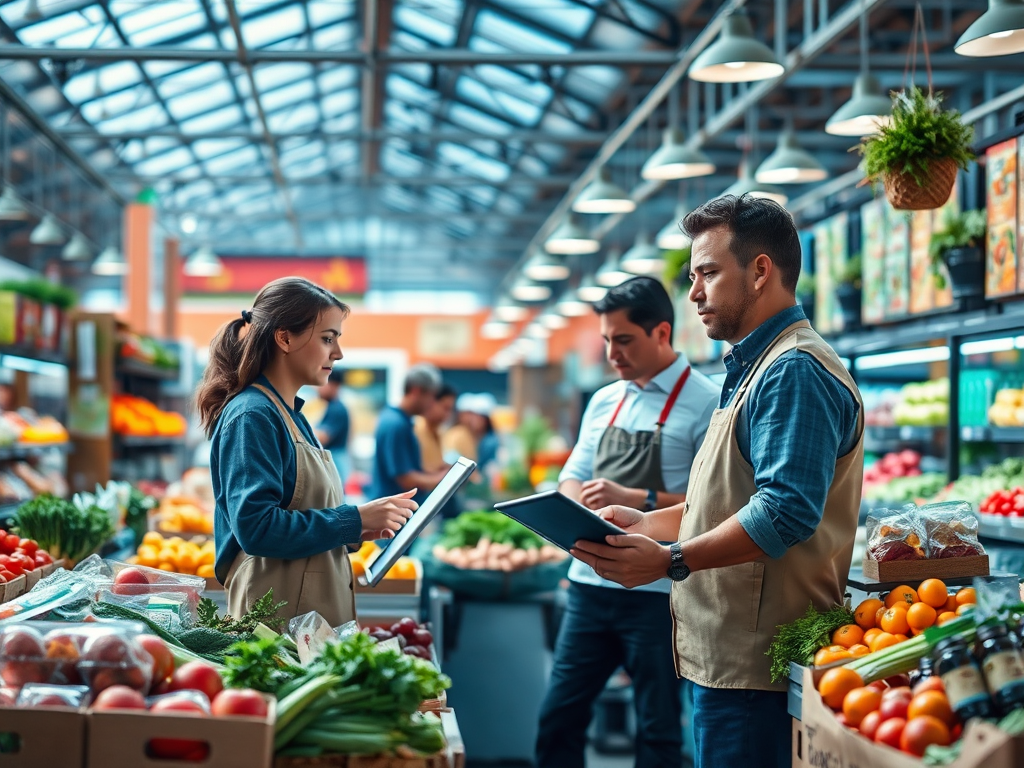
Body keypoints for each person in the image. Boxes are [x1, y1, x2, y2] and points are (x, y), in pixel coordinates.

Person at [572, 195, 864, 768]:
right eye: (692, 275)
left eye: (707, 272)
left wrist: (669, 560)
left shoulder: (794, 370)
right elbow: (722, 497)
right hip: (729, 662)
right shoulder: (751, 367)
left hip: (757, 670)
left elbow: (782, 512)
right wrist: (645, 524)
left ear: (760, 272)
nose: (694, 293)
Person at [535, 276, 720, 768]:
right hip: (588, 587)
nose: (612, 354)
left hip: (658, 593)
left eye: (624, 340)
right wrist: (572, 511)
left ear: (662, 332)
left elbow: (714, 502)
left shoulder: (706, 402)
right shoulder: (603, 400)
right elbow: (572, 476)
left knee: (658, 730)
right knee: (558, 718)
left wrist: (635, 498)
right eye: (606, 341)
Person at [198, 277, 418, 628]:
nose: (338, 353)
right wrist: (353, 519)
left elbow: (302, 512)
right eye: (327, 338)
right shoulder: (252, 414)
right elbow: (256, 528)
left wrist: (360, 529)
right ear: (285, 338)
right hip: (276, 622)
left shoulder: (294, 416)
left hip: (304, 615)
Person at [369, 363, 451, 502]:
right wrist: (445, 478)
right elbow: (406, 479)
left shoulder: (396, 419)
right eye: (431, 396)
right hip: (393, 512)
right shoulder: (396, 424)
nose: (432, 403)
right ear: (416, 391)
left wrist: (435, 472)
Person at [314, 368, 350, 483]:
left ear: (334, 385)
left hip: (336, 462)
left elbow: (321, 438)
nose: (317, 388)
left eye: (321, 383)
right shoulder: (332, 407)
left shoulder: (337, 409)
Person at [414, 383, 457, 472]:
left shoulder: (439, 432)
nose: (448, 415)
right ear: (431, 402)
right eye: (445, 408)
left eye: (450, 410)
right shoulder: (415, 430)